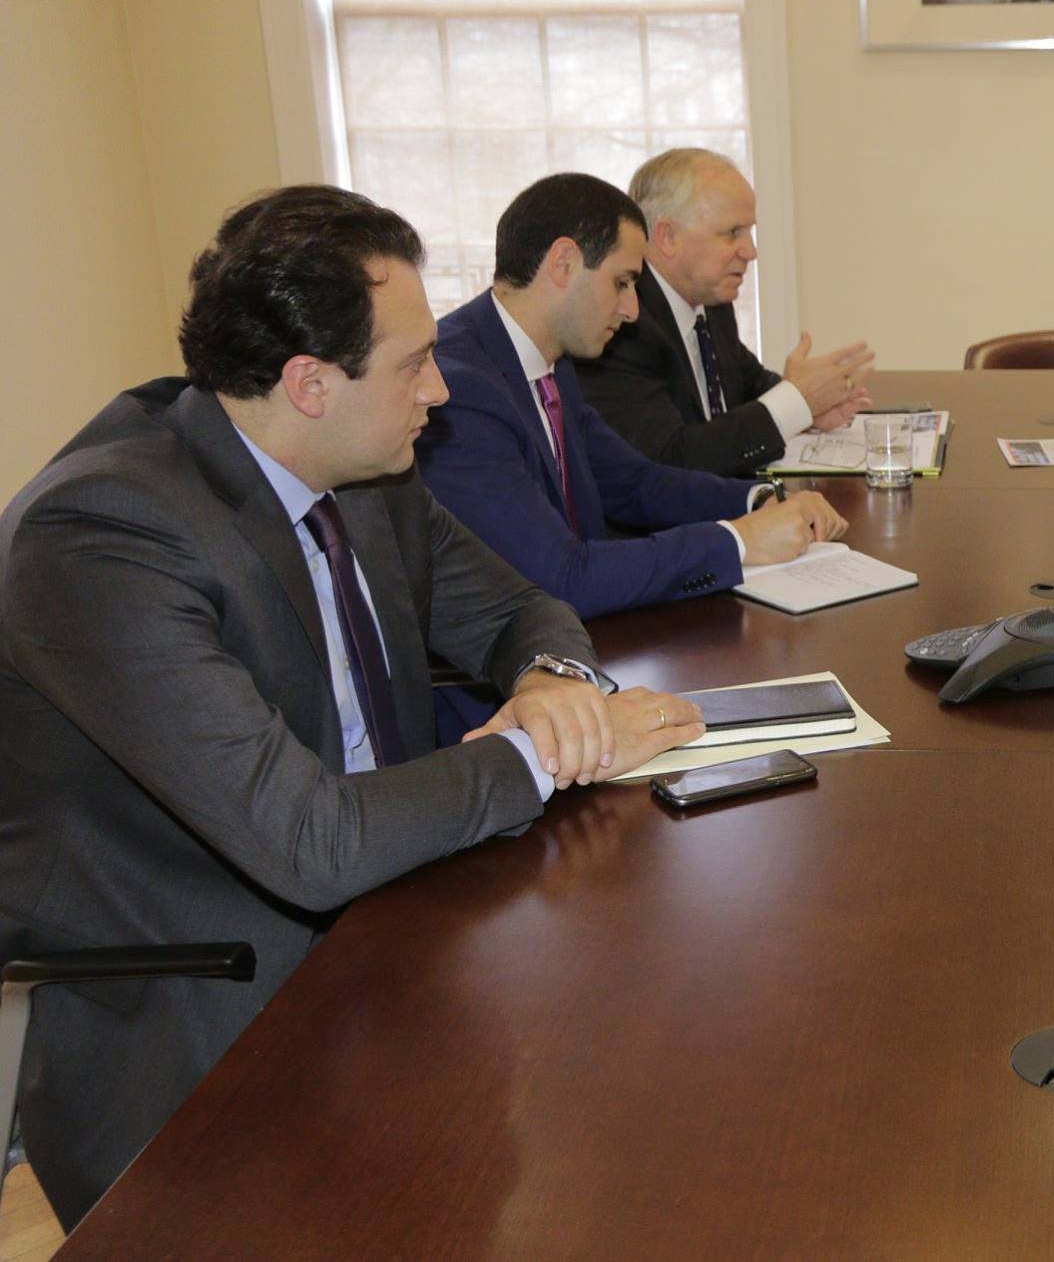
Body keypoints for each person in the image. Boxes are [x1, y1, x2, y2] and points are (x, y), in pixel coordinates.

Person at [0, 186, 707, 1229]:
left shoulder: (366, 470)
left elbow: (523, 609)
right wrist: (541, 755)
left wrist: (554, 683)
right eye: (413, 364)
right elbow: (311, 841)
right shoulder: (103, 535)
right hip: (212, 1004)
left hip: (403, 914)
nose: (441, 391)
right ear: (310, 383)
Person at [418, 172, 846, 629]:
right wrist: (738, 541)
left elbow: (636, 483)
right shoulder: (461, 388)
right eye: (622, 283)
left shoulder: (551, 359)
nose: (632, 309)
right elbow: (564, 577)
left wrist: (760, 499)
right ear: (563, 263)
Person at [576, 148, 874, 476]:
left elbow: (750, 385)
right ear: (667, 237)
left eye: (750, 232)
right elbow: (671, 459)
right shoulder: (624, 324)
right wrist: (796, 400)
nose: (751, 251)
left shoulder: (712, 305)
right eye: (733, 233)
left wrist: (811, 409)